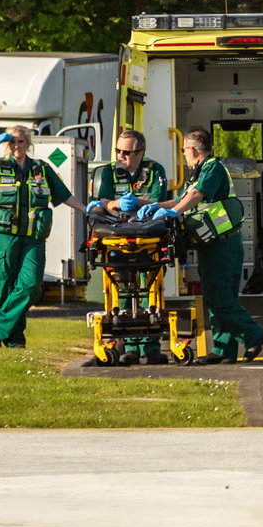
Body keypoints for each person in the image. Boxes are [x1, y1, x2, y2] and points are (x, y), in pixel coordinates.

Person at [138, 127, 263, 364]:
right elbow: (183, 199)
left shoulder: (212, 168)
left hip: (223, 246)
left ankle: (254, 334)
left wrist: (173, 213)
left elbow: (196, 195)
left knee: (220, 299)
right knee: (217, 297)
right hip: (213, 245)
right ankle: (223, 350)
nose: (183, 154)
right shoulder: (198, 172)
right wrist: (156, 206)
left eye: (183, 150)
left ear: (192, 149)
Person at [0, 125, 86, 348]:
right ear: (6, 144)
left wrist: (87, 210)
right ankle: (14, 341)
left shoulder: (42, 168)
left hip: (33, 239)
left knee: (31, 286)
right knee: (6, 287)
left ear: (28, 143)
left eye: (20, 141)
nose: (16, 146)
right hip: (2, 237)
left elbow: (64, 196)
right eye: (11, 142)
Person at [87, 128, 170, 364]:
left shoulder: (155, 170)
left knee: (151, 291)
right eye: (118, 151)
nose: (121, 156)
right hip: (117, 236)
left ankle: (151, 347)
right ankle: (130, 346)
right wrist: (116, 204)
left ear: (140, 152)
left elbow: (157, 200)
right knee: (122, 290)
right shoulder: (108, 172)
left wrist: (139, 202)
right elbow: (103, 200)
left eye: (126, 152)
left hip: (148, 236)